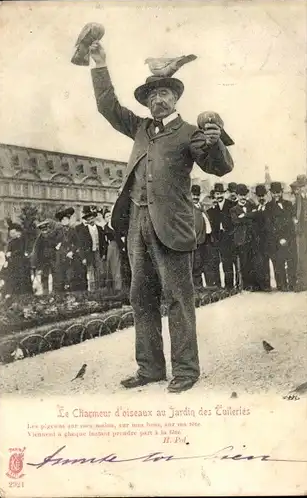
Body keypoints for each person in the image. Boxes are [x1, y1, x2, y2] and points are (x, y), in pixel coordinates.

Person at [89, 41, 234, 393]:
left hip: (172, 225)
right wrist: (99, 64)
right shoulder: (140, 128)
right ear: (147, 102)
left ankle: (186, 370)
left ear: (175, 98)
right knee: (141, 297)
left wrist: (215, 142)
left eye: (165, 93)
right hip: (137, 225)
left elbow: (220, 167)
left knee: (178, 298)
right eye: (152, 96)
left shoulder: (190, 133)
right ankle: (150, 368)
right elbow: (108, 106)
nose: (158, 100)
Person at [265, 181, 297, 291]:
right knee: (279, 262)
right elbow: (269, 225)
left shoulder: (288, 204)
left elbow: (291, 222)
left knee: (291, 261)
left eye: (278, 192)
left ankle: (292, 284)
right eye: (274, 193)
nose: (276, 195)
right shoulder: (268, 207)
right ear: (271, 193)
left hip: (289, 238)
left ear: (282, 192)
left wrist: (287, 237)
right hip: (276, 240)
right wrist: (280, 238)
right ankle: (281, 285)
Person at [207, 183, 236, 290]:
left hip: (228, 238)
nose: (219, 196)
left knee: (227, 262)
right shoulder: (212, 209)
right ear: (214, 195)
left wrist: (230, 234)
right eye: (217, 194)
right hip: (217, 238)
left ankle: (229, 286)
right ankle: (218, 286)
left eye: (221, 194)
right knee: (215, 262)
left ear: (224, 194)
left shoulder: (231, 205)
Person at [191, 184, 219, 289]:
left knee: (207, 263)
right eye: (193, 195)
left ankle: (209, 287)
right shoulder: (189, 208)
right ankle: (197, 288)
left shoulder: (202, 207)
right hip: (197, 240)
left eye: (197, 195)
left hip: (206, 239)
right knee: (197, 265)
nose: (195, 197)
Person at [230, 184, 257, 290]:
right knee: (243, 262)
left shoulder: (251, 206)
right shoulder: (233, 209)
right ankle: (245, 285)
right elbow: (236, 222)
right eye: (240, 195)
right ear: (237, 195)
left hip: (252, 238)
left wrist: (244, 216)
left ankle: (253, 284)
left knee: (252, 262)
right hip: (241, 240)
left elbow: (256, 217)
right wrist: (249, 217)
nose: (242, 197)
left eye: (244, 195)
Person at [76, 206, 107, 291]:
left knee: (99, 271)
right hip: (88, 253)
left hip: (98, 252)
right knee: (91, 271)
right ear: (87, 220)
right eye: (89, 219)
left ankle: (98, 289)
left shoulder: (100, 229)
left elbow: (103, 243)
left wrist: (104, 253)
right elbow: (81, 245)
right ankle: (92, 290)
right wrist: (83, 258)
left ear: (94, 218)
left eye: (92, 218)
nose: (91, 220)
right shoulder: (83, 230)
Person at [251, 184, 271, 291]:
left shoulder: (270, 207)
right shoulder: (254, 208)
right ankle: (260, 285)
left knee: (266, 262)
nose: (261, 198)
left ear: (266, 195)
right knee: (259, 262)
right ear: (256, 196)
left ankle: (267, 285)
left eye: (263, 195)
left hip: (268, 240)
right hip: (257, 240)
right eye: (259, 196)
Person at [3, 223, 32, 296]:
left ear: (18, 232)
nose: (12, 235)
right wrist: (7, 258)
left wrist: (11, 254)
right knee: (12, 278)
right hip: (12, 263)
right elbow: (8, 252)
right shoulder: (11, 242)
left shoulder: (21, 240)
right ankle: (13, 293)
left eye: (13, 233)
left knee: (22, 278)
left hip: (21, 262)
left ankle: (24, 293)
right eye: (10, 233)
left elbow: (21, 250)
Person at [103, 208, 124, 292]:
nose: (109, 217)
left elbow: (120, 235)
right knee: (111, 265)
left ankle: (118, 286)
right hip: (111, 246)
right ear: (105, 218)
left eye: (110, 215)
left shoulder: (116, 225)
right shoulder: (105, 227)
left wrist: (122, 245)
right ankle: (111, 287)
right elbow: (105, 240)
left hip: (118, 245)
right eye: (107, 216)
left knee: (117, 266)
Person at [293, 175, 307, 291]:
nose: (302, 188)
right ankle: (303, 283)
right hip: (302, 232)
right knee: (302, 256)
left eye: (303, 186)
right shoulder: (297, 199)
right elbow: (293, 214)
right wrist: (294, 219)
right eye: (300, 186)